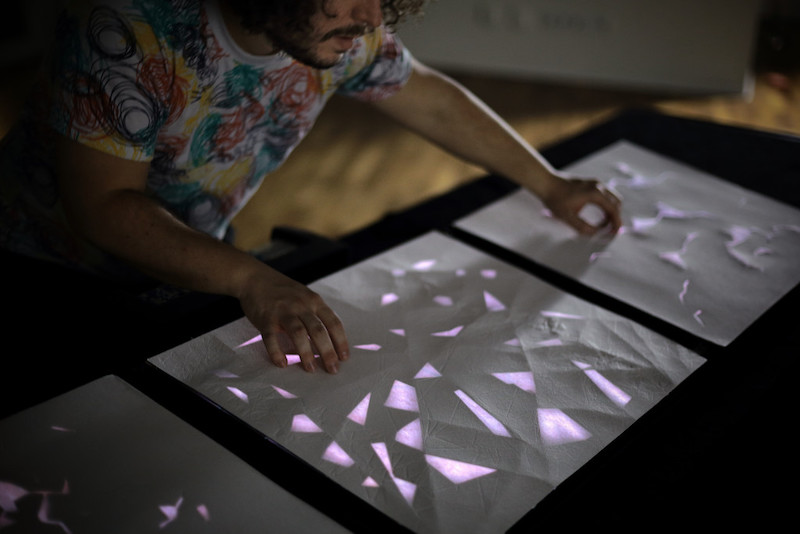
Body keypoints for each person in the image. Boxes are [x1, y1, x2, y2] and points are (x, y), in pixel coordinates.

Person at [0, 0, 621, 376]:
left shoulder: (342, 30)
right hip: (41, 267)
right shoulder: (126, 28)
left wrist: (549, 183)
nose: (372, 19)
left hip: (195, 248)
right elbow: (103, 207)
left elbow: (431, 100)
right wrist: (251, 278)